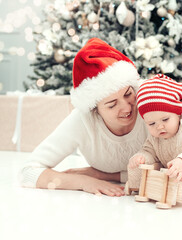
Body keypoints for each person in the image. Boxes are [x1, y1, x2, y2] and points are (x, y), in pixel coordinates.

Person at [19, 38, 149, 197]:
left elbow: (175, 170)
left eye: (128, 94)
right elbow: (27, 173)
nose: (127, 107)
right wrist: (84, 182)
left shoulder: (149, 103)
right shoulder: (83, 119)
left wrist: (105, 175)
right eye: (112, 104)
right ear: (95, 109)